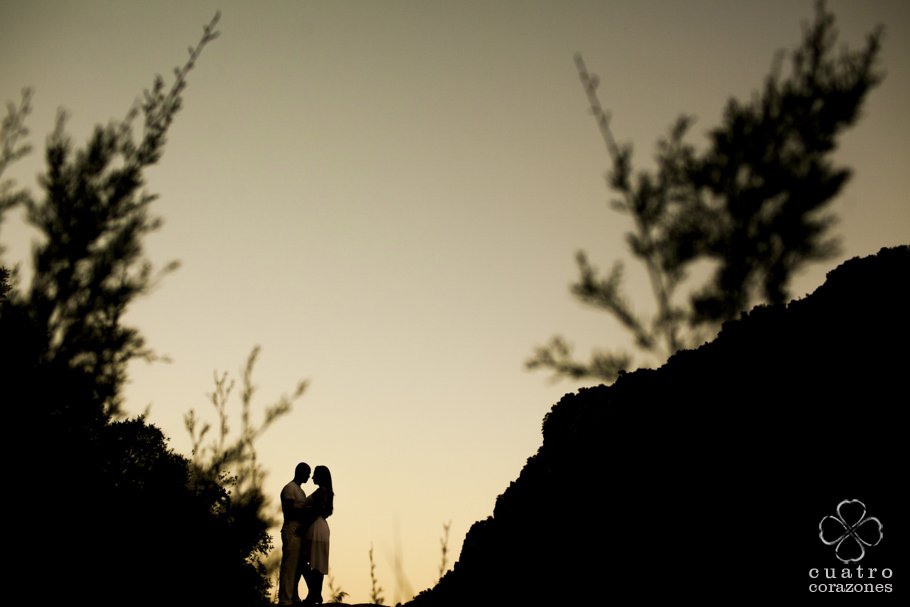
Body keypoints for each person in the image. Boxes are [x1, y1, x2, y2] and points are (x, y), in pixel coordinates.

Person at [278, 462, 312, 606]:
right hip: (292, 529)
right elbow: (288, 510)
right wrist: (306, 511)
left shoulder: (299, 491)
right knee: (289, 564)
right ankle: (285, 598)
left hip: (299, 530)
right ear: (300, 472)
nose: (309, 476)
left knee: (297, 565)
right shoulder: (290, 489)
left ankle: (292, 596)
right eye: (307, 473)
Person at [301, 465, 334, 605]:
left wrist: (302, 527)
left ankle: (313, 594)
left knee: (303, 561)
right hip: (321, 527)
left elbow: (315, 511)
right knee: (317, 564)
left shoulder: (321, 491)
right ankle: (315, 595)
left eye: (315, 475)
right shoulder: (327, 492)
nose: (312, 477)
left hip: (315, 527)